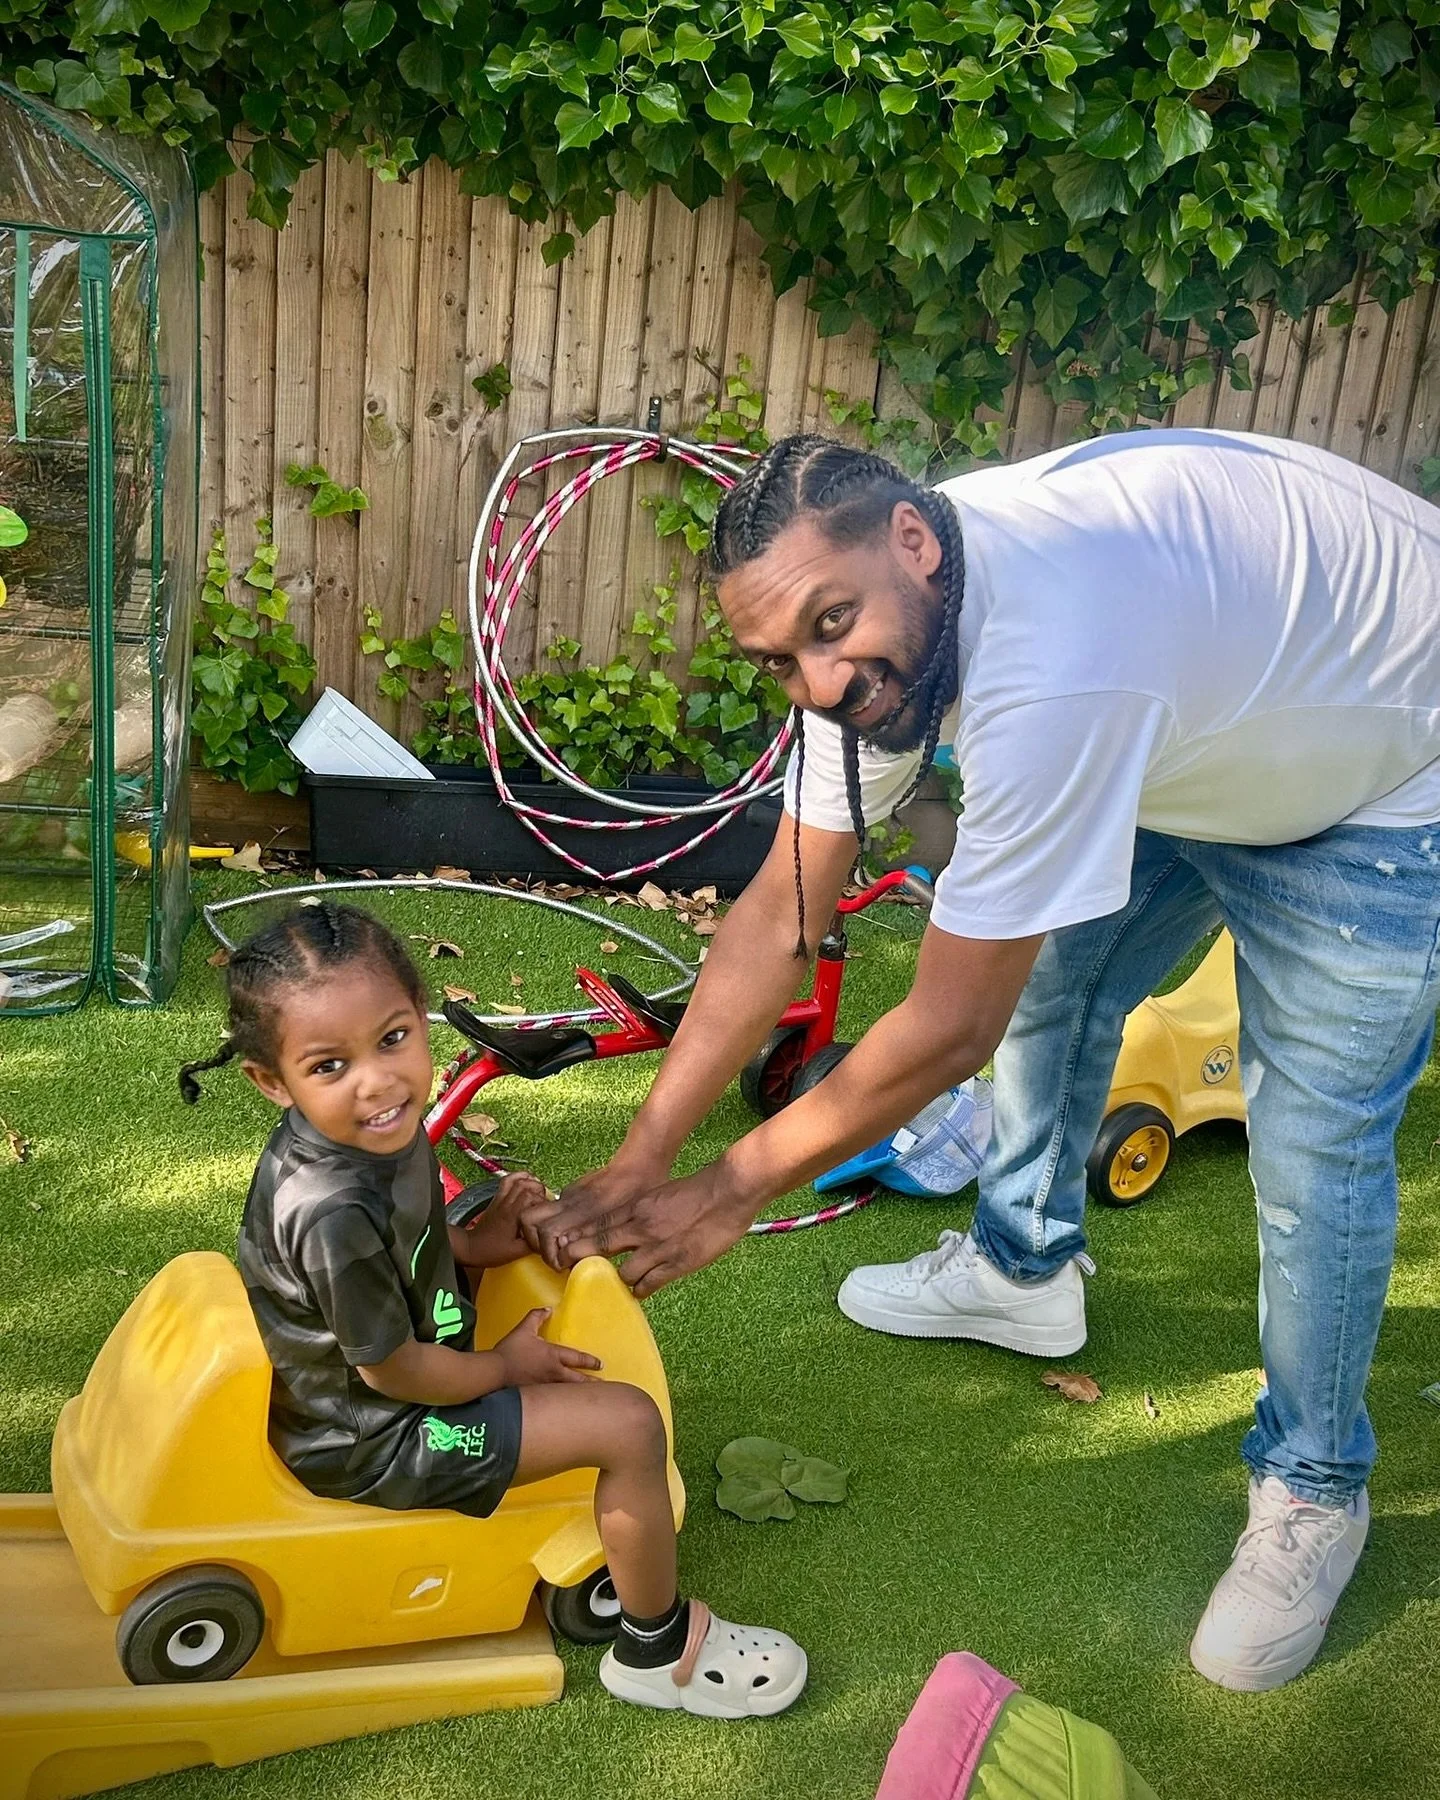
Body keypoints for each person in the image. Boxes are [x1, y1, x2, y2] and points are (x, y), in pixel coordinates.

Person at [525, 429, 1440, 1694]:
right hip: (1206, 729)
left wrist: (727, 1191)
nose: (822, 681)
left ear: (914, 541)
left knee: (1315, 1141)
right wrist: (644, 1152)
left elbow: (948, 1025)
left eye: (833, 629)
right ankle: (1024, 1271)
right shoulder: (883, 631)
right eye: (780, 657)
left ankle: (1315, 1484)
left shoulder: (1058, 668)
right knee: (1059, 986)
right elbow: (781, 918)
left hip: (1388, 763)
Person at [179, 901, 806, 1718]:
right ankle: (655, 1649)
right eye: (330, 1066)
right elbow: (395, 1370)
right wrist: (504, 1369)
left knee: (605, 1408)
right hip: (374, 1437)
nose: (377, 1081)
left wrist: (482, 1244)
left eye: (394, 1039)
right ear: (272, 1082)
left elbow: (415, 1237)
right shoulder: (329, 1210)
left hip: (399, 1383)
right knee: (630, 1426)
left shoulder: (375, 1130)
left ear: (420, 1020)